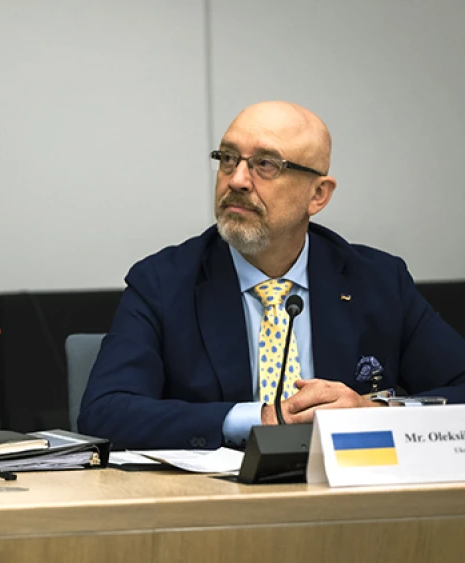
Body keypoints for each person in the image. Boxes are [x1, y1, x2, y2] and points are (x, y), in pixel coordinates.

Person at [79, 101, 465, 450]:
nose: (237, 180)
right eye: (228, 158)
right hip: (215, 508)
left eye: (266, 164)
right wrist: (258, 419)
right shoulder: (163, 282)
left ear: (318, 195)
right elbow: (105, 412)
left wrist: (376, 410)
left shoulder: (378, 280)